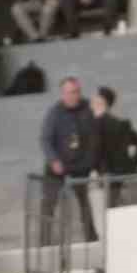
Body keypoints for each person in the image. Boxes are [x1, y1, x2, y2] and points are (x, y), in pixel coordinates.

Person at [38, 77, 98, 247]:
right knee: (48, 203)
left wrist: (91, 161)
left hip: (81, 165)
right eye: (71, 92)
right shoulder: (54, 113)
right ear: (63, 94)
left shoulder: (88, 108)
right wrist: (54, 160)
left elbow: (95, 135)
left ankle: (92, 240)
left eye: (77, 91)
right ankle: (45, 243)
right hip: (57, 165)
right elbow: (45, 139)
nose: (75, 96)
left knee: (85, 204)